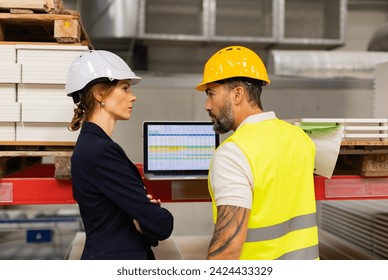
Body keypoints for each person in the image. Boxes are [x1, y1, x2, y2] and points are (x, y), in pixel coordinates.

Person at [195, 46, 319, 260]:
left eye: (211, 93)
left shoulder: (233, 154)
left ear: (237, 94)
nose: (207, 105)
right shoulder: (300, 139)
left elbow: (228, 250)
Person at [65, 50, 174, 260]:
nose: (133, 96)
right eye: (124, 88)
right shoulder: (100, 151)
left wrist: (142, 213)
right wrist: (148, 213)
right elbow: (162, 226)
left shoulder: (93, 146)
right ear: (99, 94)